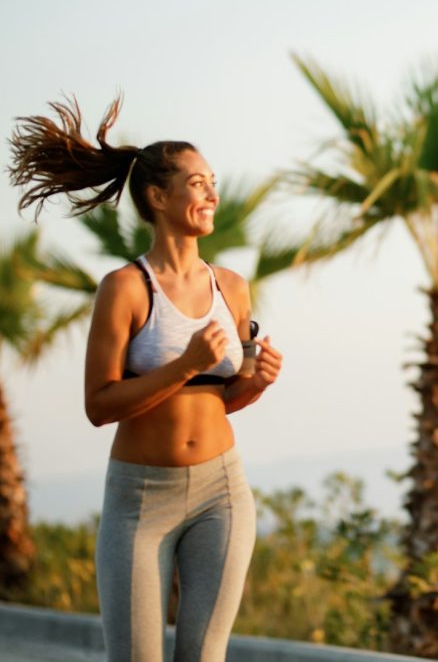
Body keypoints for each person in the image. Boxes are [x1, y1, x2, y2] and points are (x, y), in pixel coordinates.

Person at [8, 96, 283, 662]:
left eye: (213, 182)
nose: (212, 195)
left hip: (222, 493)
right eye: (198, 183)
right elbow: (99, 404)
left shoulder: (231, 286)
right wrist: (182, 364)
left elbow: (223, 398)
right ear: (159, 197)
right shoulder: (125, 288)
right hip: (140, 498)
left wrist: (257, 381)